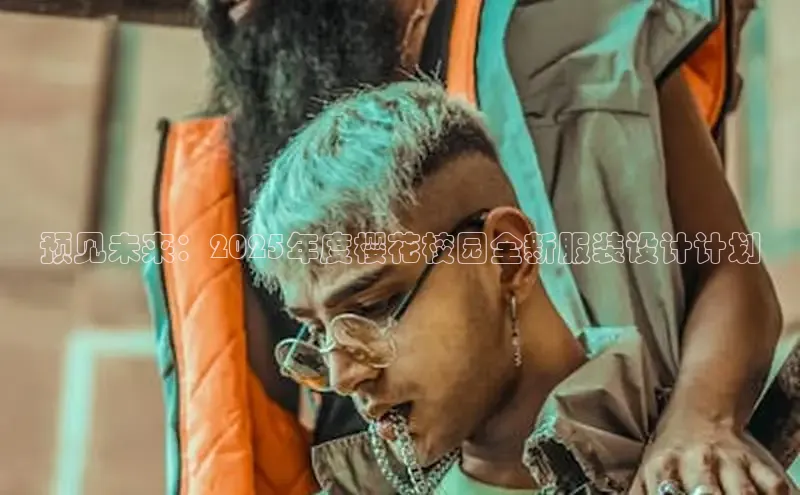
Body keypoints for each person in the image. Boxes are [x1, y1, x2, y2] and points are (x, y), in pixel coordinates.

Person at [141, 1, 798, 494]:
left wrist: (700, 419)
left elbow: (728, 266)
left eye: (374, 303)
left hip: (608, 453)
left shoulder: (572, 26)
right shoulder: (239, 153)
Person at [247, 81, 793, 494]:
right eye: (318, 334)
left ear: (509, 258)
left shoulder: (715, 471)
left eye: (372, 306)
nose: (342, 376)